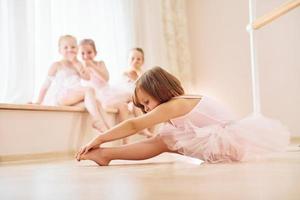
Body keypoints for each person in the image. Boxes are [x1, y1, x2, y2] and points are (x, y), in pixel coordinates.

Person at [75, 66, 290, 165]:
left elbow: (133, 125)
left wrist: (100, 138)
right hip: (226, 140)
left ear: (161, 90)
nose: (147, 109)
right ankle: (106, 155)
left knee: (164, 141)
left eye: (147, 102)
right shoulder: (178, 103)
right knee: (162, 139)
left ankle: (106, 154)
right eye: (143, 106)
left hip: (228, 143)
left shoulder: (174, 106)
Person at [34, 35, 89, 106]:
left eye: (73, 47)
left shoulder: (78, 64)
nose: (70, 50)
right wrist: (38, 101)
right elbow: (46, 84)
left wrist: (75, 62)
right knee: (89, 91)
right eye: (66, 48)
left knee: (95, 103)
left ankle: (100, 117)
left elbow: (87, 78)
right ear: (60, 51)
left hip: (74, 96)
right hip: (62, 96)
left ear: (77, 49)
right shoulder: (57, 65)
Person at [79, 39, 110, 131]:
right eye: (82, 53)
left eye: (89, 52)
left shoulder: (100, 63)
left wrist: (92, 66)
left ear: (95, 52)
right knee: (96, 102)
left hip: (104, 91)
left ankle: (109, 129)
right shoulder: (81, 66)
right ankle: (106, 129)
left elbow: (106, 78)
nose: (86, 56)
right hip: (92, 94)